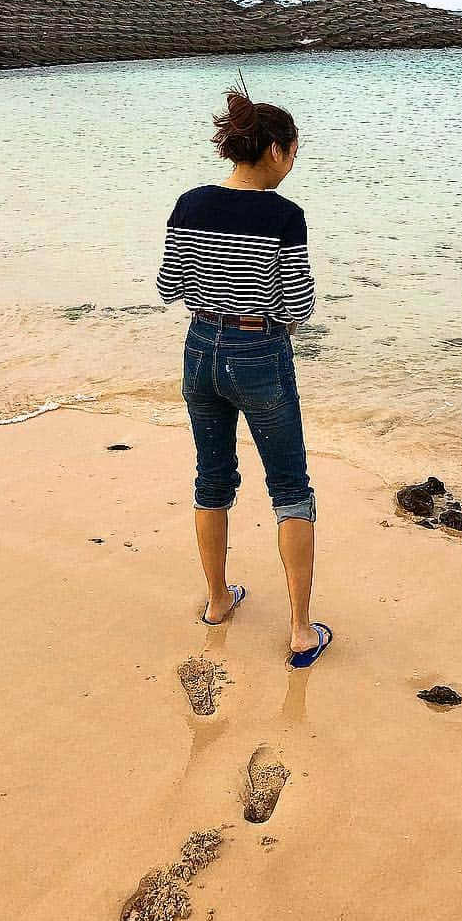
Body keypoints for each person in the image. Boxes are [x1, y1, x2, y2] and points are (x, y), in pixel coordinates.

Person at [156, 81, 332, 669]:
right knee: (289, 487)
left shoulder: (191, 202)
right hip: (259, 352)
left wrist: (213, 288)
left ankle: (216, 601)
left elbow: (166, 287)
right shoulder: (285, 215)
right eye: (295, 149)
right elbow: (298, 307)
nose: (294, 160)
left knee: (212, 478)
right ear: (276, 151)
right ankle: (302, 630)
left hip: (199, 347)